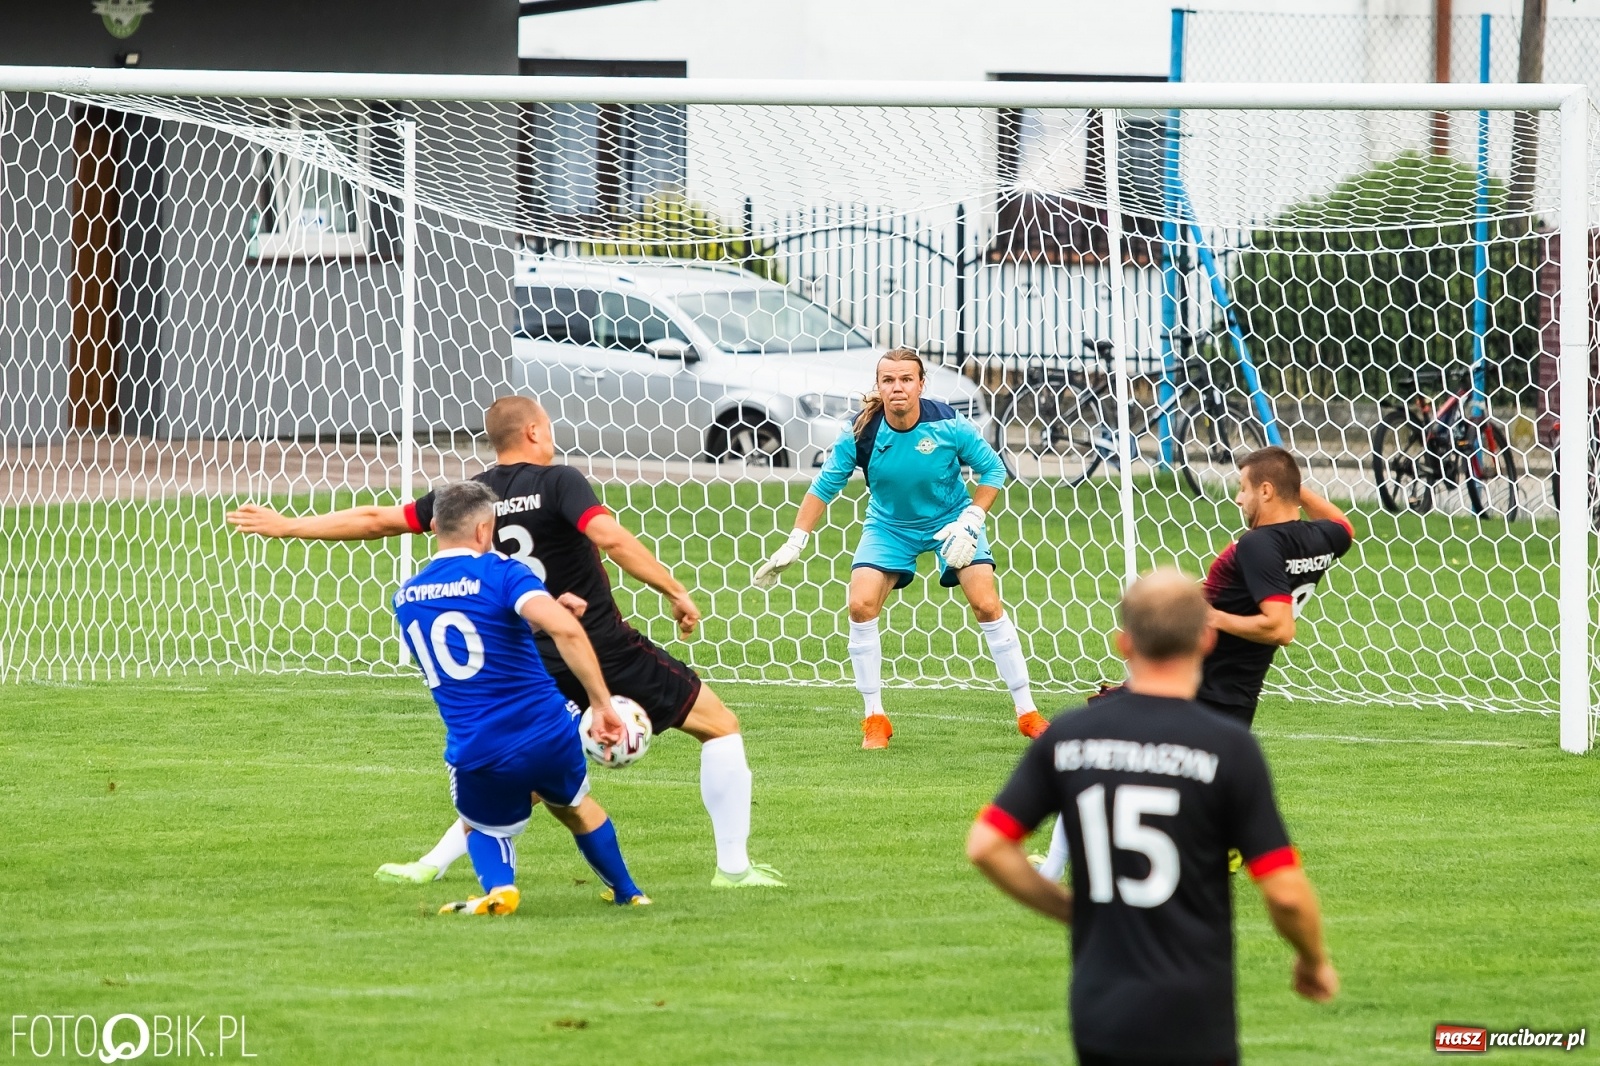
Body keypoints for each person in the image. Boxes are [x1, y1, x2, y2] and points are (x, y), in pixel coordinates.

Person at [226, 395, 783, 889]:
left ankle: (432, 864)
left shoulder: (470, 496)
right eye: (550, 426)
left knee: (525, 763)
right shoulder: (561, 480)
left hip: (528, 657)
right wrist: (673, 588)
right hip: (595, 641)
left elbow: (378, 519)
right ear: (536, 432)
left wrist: (287, 524)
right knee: (719, 726)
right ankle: (733, 868)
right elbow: (607, 536)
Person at [967, 570, 1338, 1065]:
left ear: (1124, 643)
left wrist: (1069, 909)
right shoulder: (1227, 748)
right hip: (1192, 1010)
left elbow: (986, 845)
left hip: (1100, 1010)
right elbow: (1285, 892)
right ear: (1207, 639)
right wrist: (1313, 962)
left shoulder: (1070, 737)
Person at [1034, 446, 1354, 881]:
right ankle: (1227, 839)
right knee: (1189, 773)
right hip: (1239, 687)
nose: (1238, 499)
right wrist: (1293, 488)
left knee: (1093, 744)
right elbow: (1344, 524)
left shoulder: (1258, 545)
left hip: (1193, 679)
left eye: (1244, 489)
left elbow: (1280, 628)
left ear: (1265, 491)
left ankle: (1053, 871)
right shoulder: (1322, 539)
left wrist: (1213, 616)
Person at [752, 347, 1044, 748]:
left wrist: (971, 520)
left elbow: (993, 469)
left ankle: (1027, 713)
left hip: (952, 521)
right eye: (888, 380)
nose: (898, 387)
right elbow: (824, 487)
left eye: (906, 379)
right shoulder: (861, 431)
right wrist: (795, 541)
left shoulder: (948, 423)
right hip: (890, 526)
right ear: (879, 386)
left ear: (921, 384)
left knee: (987, 604)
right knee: (860, 604)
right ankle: (875, 718)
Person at [394, 480, 647, 915]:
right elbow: (564, 630)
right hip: (548, 729)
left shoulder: (407, 596)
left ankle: (501, 890)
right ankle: (629, 892)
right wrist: (602, 705)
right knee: (575, 807)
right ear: (483, 530)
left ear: (434, 525)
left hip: (477, 744)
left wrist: (539, 619)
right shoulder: (504, 573)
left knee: (481, 826)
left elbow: (471, 641)